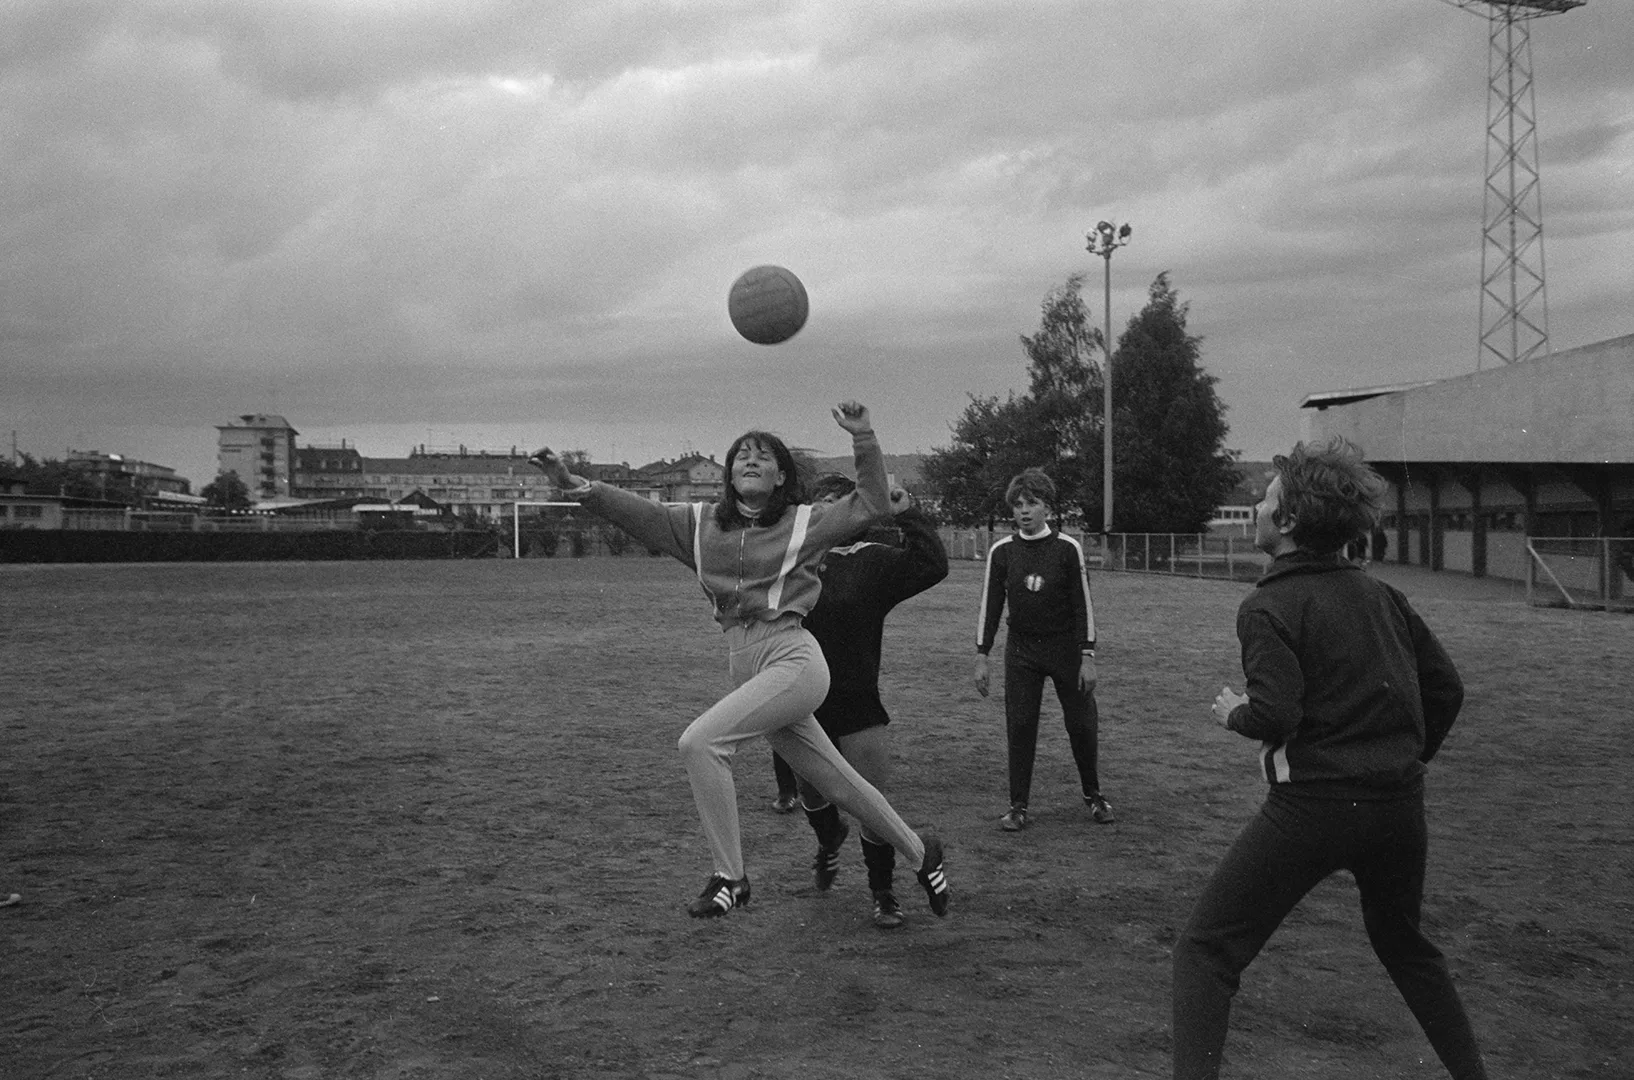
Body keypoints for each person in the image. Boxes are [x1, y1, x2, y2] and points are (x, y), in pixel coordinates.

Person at [530, 402, 950, 920]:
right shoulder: (700, 525)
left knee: (701, 742)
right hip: (746, 663)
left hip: (793, 659)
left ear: (780, 478)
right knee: (838, 783)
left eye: (763, 456)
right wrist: (574, 482)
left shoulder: (806, 523)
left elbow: (870, 501)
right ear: (729, 474)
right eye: (741, 455)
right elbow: (635, 512)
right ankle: (919, 851)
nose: (750, 460)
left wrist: (863, 436)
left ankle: (730, 877)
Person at [1172, 438, 1489, 1080]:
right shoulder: (1382, 596)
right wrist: (1397, 759)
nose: (1257, 506)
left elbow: (1276, 716)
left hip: (1313, 809)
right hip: (1400, 807)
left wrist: (1232, 711)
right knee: (1407, 948)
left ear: (1286, 524)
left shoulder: (1267, 604)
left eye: (1265, 499)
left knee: (1204, 952)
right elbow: (1446, 690)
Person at [771, 474, 949, 929]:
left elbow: (932, 564)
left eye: (839, 503)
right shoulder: (789, 563)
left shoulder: (871, 561)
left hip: (857, 702)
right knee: (816, 798)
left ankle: (882, 893)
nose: (829, 511)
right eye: (820, 504)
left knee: (872, 801)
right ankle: (829, 842)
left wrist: (906, 512)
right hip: (800, 702)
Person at [973, 467, 1110, 831]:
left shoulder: (1067, 549)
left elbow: (1084, 605)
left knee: (1081, 723)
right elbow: (991, 605)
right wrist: (982, 654)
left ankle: (1093, 794)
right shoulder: (1002, 552)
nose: (1024, 511)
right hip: (1021, 652)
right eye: (1018, 505)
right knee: (1020, 725)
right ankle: (1018, 805)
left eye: (1031, 503)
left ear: (1047, 506)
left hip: (1064, 649)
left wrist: (1087, 656)